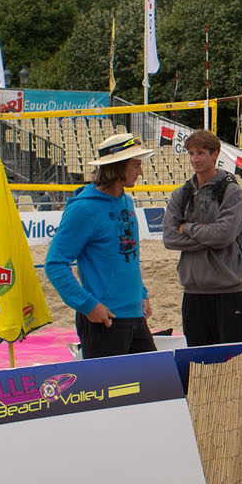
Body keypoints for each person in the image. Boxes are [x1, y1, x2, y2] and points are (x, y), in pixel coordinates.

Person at [46, 131, 158, 359]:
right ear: (117, 167)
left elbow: (128, 258)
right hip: (104, 319)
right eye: (135, 165)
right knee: (108, 393)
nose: (140, 172)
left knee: (154, 389)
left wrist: (142, 293)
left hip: (134, 315)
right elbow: (55, 264)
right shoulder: (83, 209)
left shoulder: (125, 200)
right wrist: (88, 305)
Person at [161, 129, 242, 346]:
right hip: (193, 290)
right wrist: (207, 233)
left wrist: (187, 228)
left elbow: (223, 235)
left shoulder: (230, 191)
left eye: (200, 153)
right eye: (191, 153)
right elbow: (169, 238)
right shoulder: (182, 193)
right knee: (199, 364)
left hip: (228, 289)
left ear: (215, 154)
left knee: (235, 362)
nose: (195, 159)